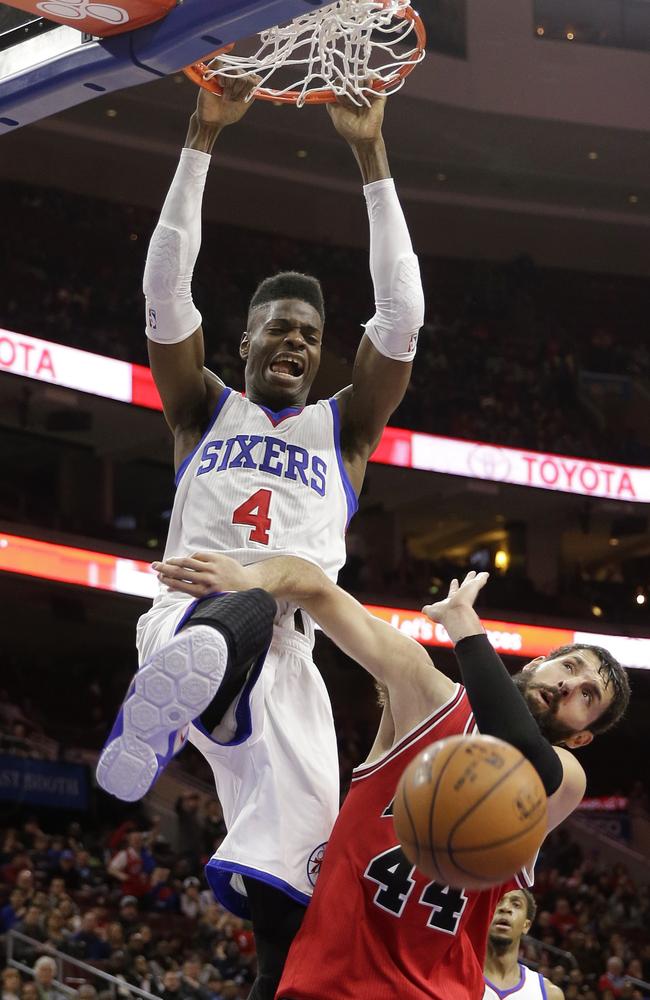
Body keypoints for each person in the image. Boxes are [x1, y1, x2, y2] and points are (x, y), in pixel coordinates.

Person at [97, 65, 424, 1000]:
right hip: (192, 613)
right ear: (243, 341)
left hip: (289, 672)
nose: (296, 344)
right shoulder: (201, 408)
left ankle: (274, 988)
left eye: (311, 336)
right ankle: (165, 704)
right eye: (278, 330)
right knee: (244, 590)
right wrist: (201, 138)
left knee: (300, 891)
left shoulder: (346, 430)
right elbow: (165, 294)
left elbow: (401, 319)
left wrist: (373, 155)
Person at [154, 551, 630, 998]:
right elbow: (316, 587)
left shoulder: (565, 776)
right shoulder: (426, 694)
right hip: (326, 983)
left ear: (581, 737)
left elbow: (518, 744)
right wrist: (252, 583)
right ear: (538, 663)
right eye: (568, 667)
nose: (569, 685)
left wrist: (465, 627)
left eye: (587, 697)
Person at [483, 888, 564, 1000]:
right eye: (497, 901)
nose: (505, 908)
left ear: (526, 926)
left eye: (516, 904)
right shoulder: (457, 976)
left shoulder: (549, 993)